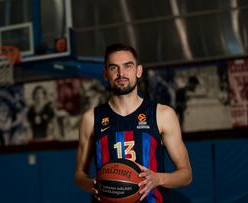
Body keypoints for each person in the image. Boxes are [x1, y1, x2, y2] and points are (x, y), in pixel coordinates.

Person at [75, 43, 192, 203]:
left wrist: (158, 179)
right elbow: (79, 175)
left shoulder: (162, 114)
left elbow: (186, 175)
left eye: (127, 66)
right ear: (105, 73)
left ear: (138, 71)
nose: (121, 73)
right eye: (113, 68)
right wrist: (95, 184)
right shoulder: (91, 119)